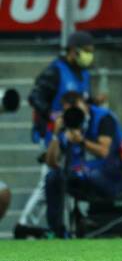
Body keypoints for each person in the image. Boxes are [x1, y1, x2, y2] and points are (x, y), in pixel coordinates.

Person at [15, 31, 99, 238]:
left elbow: (83, 102)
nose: (89, 56)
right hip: (53, 134)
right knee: (49, 182)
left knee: (68, 181)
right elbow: (35, 96)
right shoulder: (55, 72)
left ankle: (70, 225)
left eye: (91, 52)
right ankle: (25, 225)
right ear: (73, 50)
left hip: (75, 135)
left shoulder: (84, 74)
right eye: (86, 51)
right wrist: (51, 115)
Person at [45, 92, 122, 238]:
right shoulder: (67, 123)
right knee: (53, 177)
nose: (74, 112)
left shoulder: (103, 117)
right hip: (83, 173)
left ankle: (87, 220)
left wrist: (81, 141)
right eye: (69, 109)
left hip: (113, 174)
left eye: (76, 107)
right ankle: (57, 231)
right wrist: (56, 135)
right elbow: (51, 162)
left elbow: (104, 152)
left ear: (85, 104)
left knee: (88, 173)